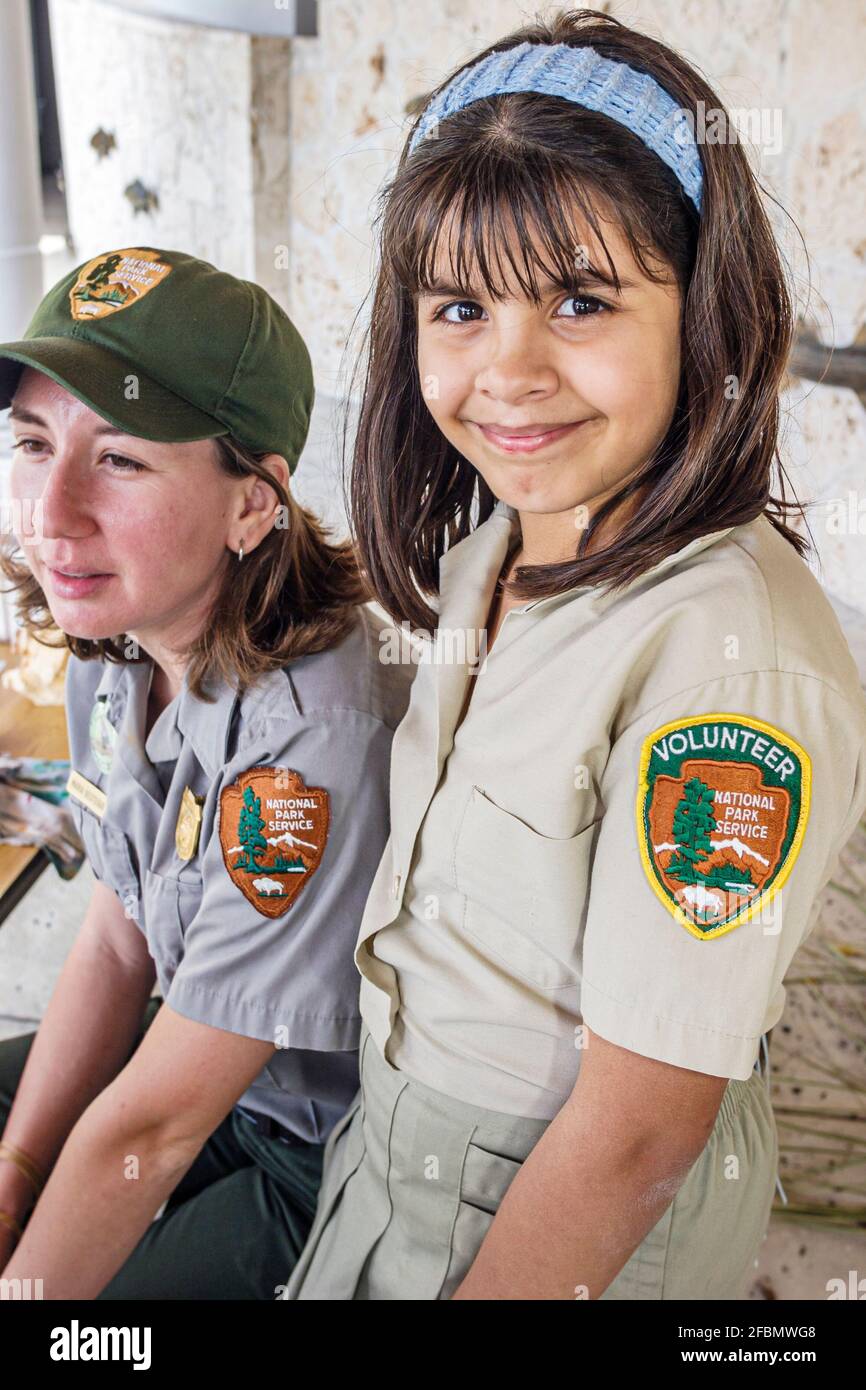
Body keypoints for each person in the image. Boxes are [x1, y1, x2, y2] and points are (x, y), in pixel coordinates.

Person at [283, 10, 866, 1301]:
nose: (509, 370)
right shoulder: (500, 544)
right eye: (458, 306)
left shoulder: (730, 670)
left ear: (703, 315)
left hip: (555, 1216)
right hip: (394, 1159)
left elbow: (637, 1130)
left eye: (580, 299)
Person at [0, 245, 412, 1298]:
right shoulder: (122, 642)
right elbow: (113, 935)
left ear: (251, 505)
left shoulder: (311, 742)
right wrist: (21, 1172)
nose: (51, 513)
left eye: (122, 459)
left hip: (312, 1139)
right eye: (33, 440)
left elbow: (160, 1119)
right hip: (184, 1052)